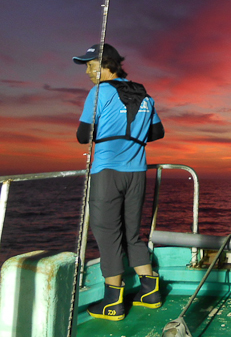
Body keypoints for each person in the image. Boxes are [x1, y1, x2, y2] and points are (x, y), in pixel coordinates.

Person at [74, 43, 165, 321]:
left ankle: (113, 302)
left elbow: (82, 135)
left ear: (108, 65)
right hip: (136, 173)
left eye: (91, 66)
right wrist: (132, 135)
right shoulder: (144, 94)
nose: (88, 72)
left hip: (107, 172)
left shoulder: (99, 92)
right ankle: (150, 291)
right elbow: (158, 132)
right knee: (132, 234)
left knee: (108, 234)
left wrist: (109, 130)